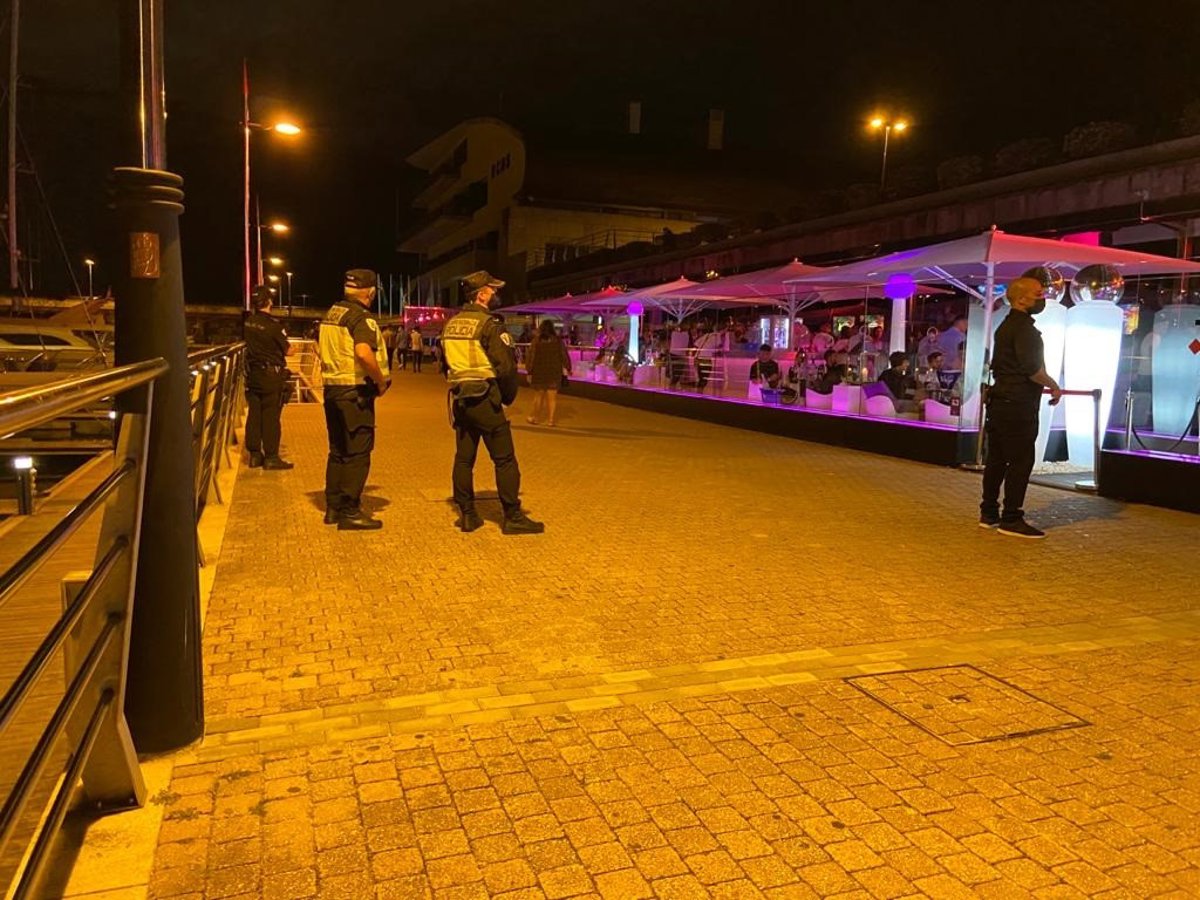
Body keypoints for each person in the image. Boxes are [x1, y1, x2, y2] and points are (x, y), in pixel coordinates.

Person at [441, 270, 544, 535]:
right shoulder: (489, 325)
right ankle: (512, 516)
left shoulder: (451, 325)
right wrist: (505, 398)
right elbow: (506, 368)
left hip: (461, 399)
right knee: (505, 459)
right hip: (485, 399)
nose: (496, 293)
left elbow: (445, 365)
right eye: (493, 289)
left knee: (464, 459)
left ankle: (467, 515)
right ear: (482, 295)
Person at [981, 276, 1061, 538]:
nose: (1043, 298)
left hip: (999, 401)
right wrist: (1054, 385)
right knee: (1020, 460)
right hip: (1018, 403)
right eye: (1038, 294)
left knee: (996, 459)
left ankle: (988, 513)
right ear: (1022, 298)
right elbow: (1032, 370)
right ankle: (1011, 518)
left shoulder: (1005, 327)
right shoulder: (1025, 330)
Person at [317, 269, 391, 530]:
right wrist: (380, 381)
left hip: (332, 391)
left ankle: (333, 508)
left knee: (338, 451)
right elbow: (363, 352)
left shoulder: (332, 314)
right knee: (358, 453)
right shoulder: (360, 317)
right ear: (370, 292)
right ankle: (350, 511)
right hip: (354, 393)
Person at [242, 285, 294, 469]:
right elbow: (289, 350)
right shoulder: (274, 326)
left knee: (254, 414)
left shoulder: (248, 323)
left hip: (253, 374)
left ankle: (255, 455)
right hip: (271, 376)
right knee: (271, 415)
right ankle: (271, 457)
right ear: (269, 302)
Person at [525, 320, 571, 426]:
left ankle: (535, 418)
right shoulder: (558, 341)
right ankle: (551, 420)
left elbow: (531, 356)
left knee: (538, 397)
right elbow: (564, 355)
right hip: (554, 372)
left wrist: (529, 370)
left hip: (539, 371)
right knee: (552, 398)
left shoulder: (536, 341)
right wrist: (568, 367)